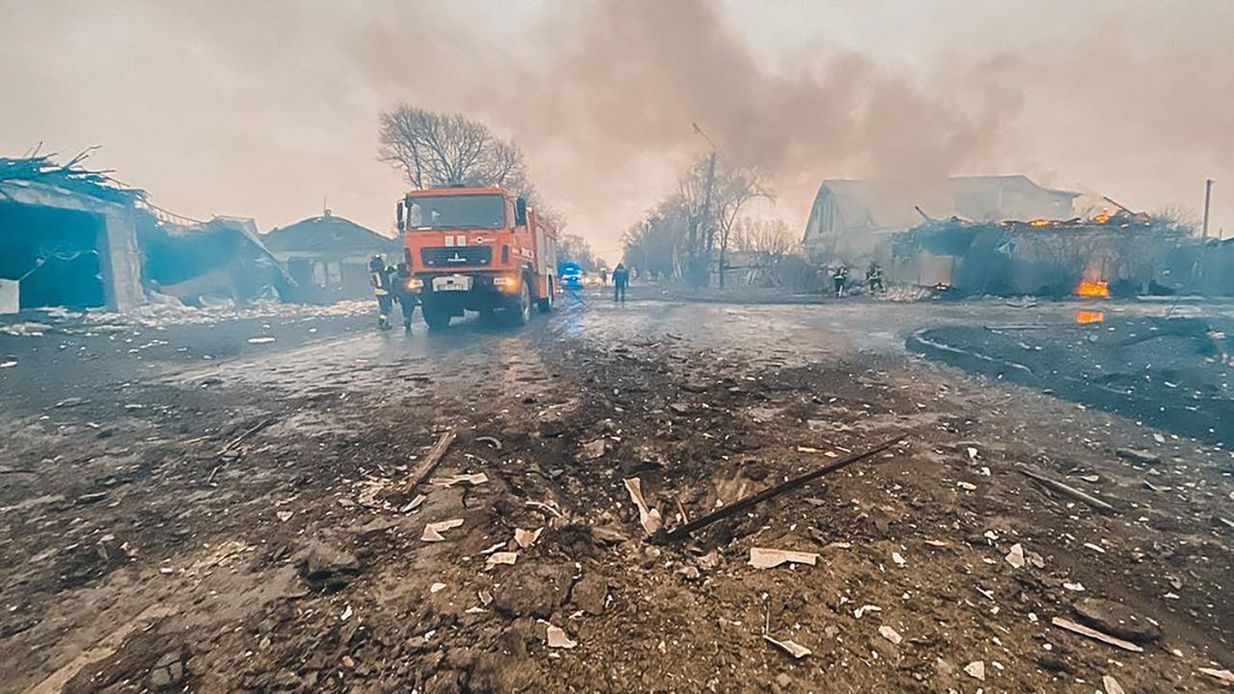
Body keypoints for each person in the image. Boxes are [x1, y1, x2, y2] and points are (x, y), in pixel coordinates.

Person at [369, 255, 393, 330]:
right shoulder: (382, 270)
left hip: (377, 292)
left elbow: (372, 283)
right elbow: (392, 269)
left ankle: (386, 323)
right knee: (386, 309)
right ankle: (382, 322)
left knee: (383, 308)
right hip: (385, 292)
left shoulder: (372, 272)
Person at [393, 262, 417, 331]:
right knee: (410, 306)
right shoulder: (410, 275)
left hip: (401, 295)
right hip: (410, 294)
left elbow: (393, 288)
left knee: (404, 307)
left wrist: (394, 297)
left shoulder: (395, 277)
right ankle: (408, 318)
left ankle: (406, 317)